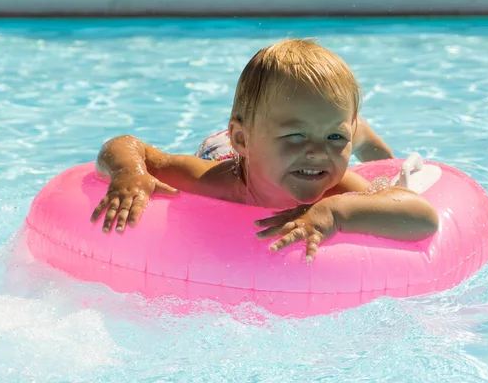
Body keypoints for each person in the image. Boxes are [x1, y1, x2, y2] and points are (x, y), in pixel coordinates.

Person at [90, 39, 437, 262]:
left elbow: (421, 216)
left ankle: (356, 131)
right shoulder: (212, 180)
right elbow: (125, 145)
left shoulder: (338, 189)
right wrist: (129, 173)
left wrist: (336, 213)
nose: (318, 153)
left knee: (350, 136)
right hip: (223, 151)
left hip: (259, 142)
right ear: (244, 139)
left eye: (335, 139)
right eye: (296, 137)